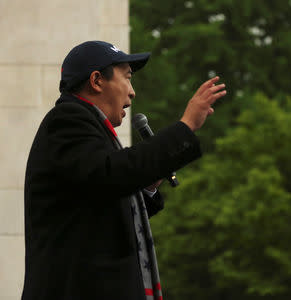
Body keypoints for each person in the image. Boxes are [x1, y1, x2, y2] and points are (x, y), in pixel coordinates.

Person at [21, 40, 226, 300]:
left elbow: (106, 204)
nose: (132, 92)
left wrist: (149, 184)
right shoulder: (67, 121)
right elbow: (110, 174)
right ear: (96, 81)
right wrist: (185, 126)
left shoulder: (88, 130)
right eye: (127, 78)